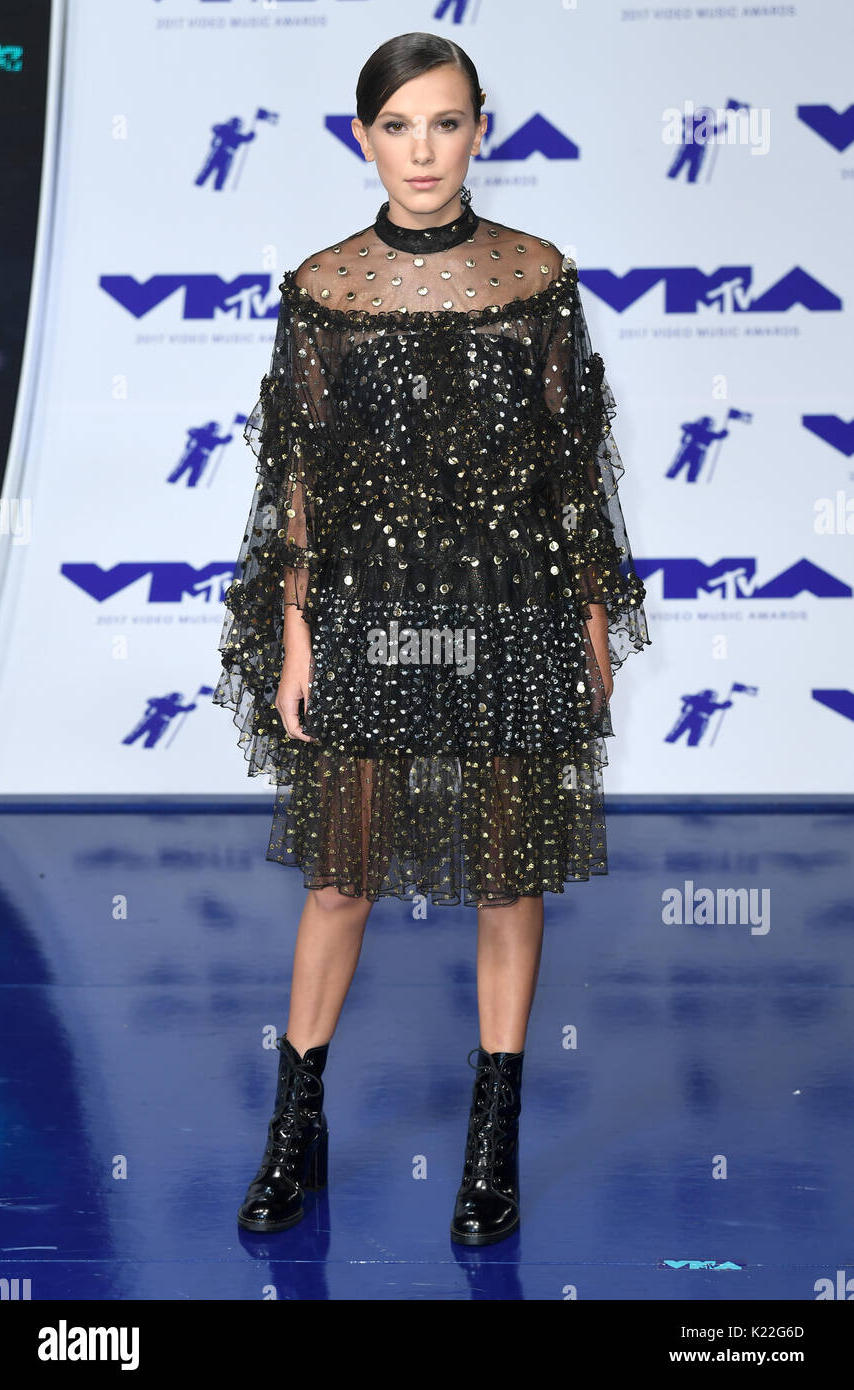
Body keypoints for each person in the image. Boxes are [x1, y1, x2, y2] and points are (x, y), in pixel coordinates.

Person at [213, 31, 651, 1246]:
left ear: (477, 133)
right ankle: (293, 1133)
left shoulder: (534, 275)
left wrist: (593, 620)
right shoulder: (324, 287)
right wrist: (298, 639)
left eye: (445, 122)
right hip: (366, 611)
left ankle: (489, 1149)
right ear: (364, 138)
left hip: (509, 605)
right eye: (399, 126)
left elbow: (573, 472)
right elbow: (297, 482)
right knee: (341, 878)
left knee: (506, 878)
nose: (422, 149)